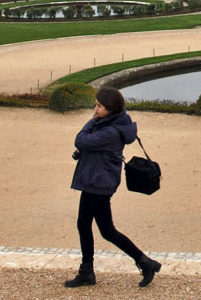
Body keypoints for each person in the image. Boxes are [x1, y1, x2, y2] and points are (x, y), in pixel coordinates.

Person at [66, 87, 161, 289]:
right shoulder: (111, 123)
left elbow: (81, 140)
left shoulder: (110, 131)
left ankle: (145, 262)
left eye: (99, 106)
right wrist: (97, 119)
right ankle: (86, 271)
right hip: (94, 180)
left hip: (99, 183)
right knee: (83, 224)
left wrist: (92, 120)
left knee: (107, 231)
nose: (96, 108)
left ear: (110, 109)